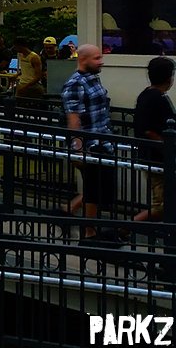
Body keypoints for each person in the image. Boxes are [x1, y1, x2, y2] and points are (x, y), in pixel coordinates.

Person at [61, 44, 117, 243]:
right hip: (91, 144)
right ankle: (89, 233)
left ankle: (67, 212)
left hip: (103, 140)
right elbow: (73, 118)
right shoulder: (75, 84)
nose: (101, 61)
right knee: (94, 188)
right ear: (83, 59)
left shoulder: (93, 79)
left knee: (98, 187)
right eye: (96, 58)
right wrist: (77, 147)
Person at [133, 56, 175, 222]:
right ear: (169, 77)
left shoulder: (147, 95)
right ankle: (122, 230)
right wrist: (166, 147)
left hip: (154, 157)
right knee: (162, 205)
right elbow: (148, 129)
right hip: (157, 159)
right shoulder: (156, 99)